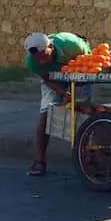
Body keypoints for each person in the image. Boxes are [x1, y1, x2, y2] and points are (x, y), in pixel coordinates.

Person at [24, 31, 92, 176]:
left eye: (44, 56)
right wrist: (63, 92)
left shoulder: (73, 46)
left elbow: (90, 64)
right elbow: (47, 79)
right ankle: (40, 160)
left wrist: (77, 88)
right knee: (46, 113)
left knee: (83, 114)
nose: (41, 61)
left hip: (80, 70)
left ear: (51, 46)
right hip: (53, 77)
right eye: (38, 59)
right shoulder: (32, 62)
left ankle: (88, 159)